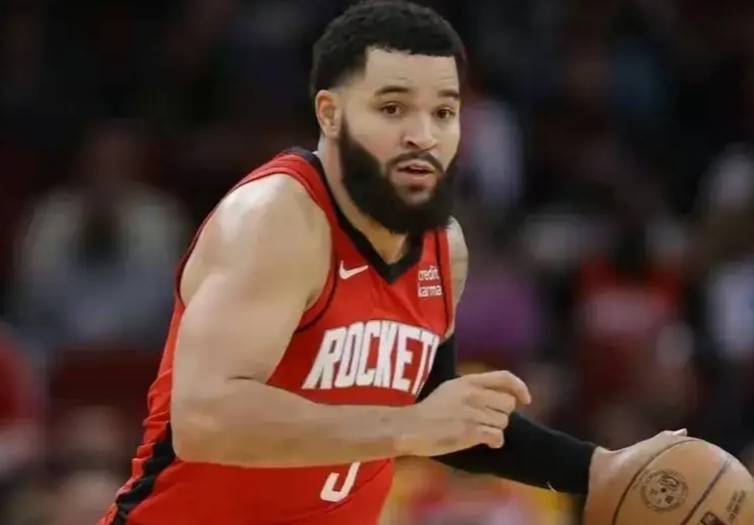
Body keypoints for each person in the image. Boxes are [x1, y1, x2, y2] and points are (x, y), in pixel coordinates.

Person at [99, 2, 686, 524]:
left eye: (444, 112)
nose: (423, 135)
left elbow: (441, 421)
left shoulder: (442, 247)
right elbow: (206, 419)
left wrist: (599, 468)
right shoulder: (277, 220)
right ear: (330, 114)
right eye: (393, 108)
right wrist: (412, 427)